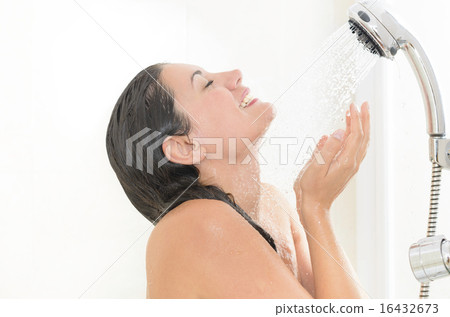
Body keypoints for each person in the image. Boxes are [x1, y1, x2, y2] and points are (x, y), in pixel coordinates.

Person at [105, 63, 370, 298]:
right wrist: (316, 207)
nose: (235, 75)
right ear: (185, 147)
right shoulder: (192, 225)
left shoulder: (273, 207)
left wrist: (312, 205)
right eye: (207, 84)